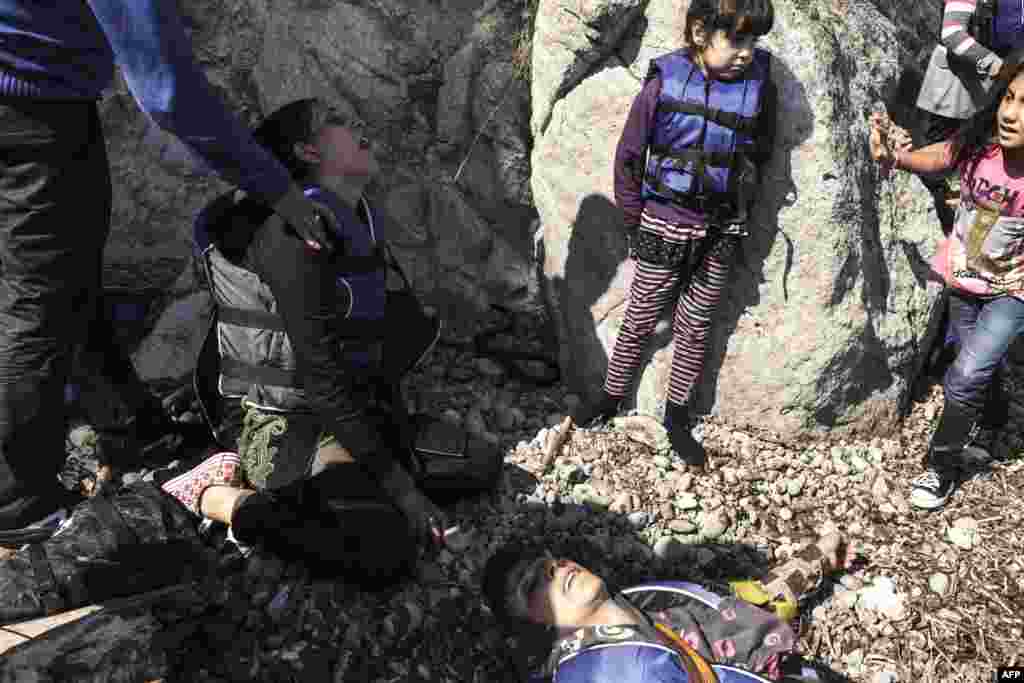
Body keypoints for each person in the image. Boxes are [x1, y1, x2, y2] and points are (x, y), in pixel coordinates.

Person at [0, 1, 341, 536]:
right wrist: (275, 186)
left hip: (26, 89)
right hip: (29, 104)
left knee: (66, 272)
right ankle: (16, 502)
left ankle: (130, 427)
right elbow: (168, 92)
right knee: (37, 298)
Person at [194, 98, 448, 547]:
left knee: (476, 464)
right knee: (381, 541)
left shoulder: (356, 215)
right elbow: (319, 377)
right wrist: (402, 488)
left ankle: (355, 479)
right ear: (308, 152)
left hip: (354, 406)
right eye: (336, 120)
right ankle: (218, 498)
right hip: (290, 422)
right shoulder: (293, 236)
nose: (357, 122)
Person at [571, 0, 778, 470]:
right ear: (701, 32)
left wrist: (741, 202)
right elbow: (628, 157)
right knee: (641, 315)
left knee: (696, 324)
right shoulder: (664, 82)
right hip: (664, 222)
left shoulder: (758, 88)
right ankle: (610, 397)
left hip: (723, 227)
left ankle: (677, 416)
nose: (747, 52)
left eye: (754, 41)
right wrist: (633, 220)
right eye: (737, 39)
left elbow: (760, 152)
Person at [870, 49, 1024, 510]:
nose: (1012, 113)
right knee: (973, 355)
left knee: (964, 375)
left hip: (1012, 291)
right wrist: (897, 158)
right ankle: (994, 414)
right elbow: (941, 156)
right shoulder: (982, 142)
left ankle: (941, 465)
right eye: (1010, 97)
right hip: (963, 277)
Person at [482, 532, 856, 683]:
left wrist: (817, 557)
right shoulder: (620, 674)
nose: (555, 568)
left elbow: (733, 608)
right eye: (533, 583)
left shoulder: (636, 605)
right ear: (533, 629)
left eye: (551, 561)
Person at [915, 0, 1024, 233]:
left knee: (980, 158)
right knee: (939, 163)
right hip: (955, 87)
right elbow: (953, 33)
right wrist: (998, 66)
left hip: (995, 88)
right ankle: (939, 229)